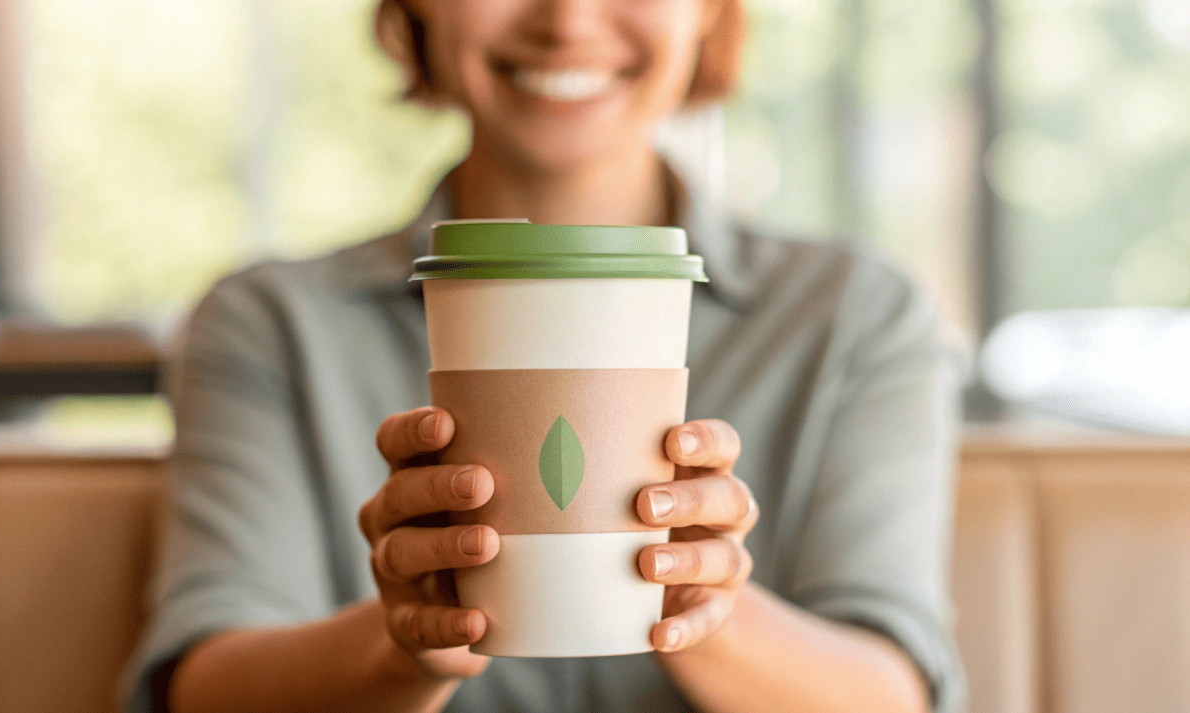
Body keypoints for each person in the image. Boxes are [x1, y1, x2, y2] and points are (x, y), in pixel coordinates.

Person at [122, 0, 967, 711]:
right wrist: (402, 643)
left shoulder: (855, 315)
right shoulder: (271, 324)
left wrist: (710, 604)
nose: (566, 22)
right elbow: (206, 682)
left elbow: (893, 688)